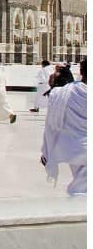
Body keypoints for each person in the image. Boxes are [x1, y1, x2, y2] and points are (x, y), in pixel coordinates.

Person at [41, 59, 86, 196]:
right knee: (82, 188)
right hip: (79, 147)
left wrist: (47, 149)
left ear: (81, 72)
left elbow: (51, 122)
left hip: (72, 147)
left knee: (82, 184)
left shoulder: (66, 92)